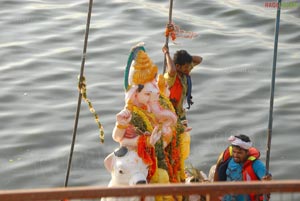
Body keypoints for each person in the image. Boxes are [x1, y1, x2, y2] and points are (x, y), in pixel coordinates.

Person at [111, 44, 191, 192]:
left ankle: (178, 181)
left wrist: (179, 127)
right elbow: (119, 139)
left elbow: (167, 117)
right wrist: (142, 140)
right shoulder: (130, 112)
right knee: (161, 177)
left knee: (184, 138)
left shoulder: (154, 103)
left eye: (152, 93)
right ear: (135, 94)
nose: (151, 98)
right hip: (140, 159)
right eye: (147, 95)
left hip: (162, 150)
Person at [214, 134, 272, 201]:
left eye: (239, 153)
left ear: (247, 152)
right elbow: (219, 173)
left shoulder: (256, 164)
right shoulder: (229, 159)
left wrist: (267, 180)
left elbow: (267, 179)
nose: (235, 155)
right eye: (234, 152)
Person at [162, 43, 202, 130]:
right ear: (177, 66)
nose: (188, 69)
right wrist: (166, 53)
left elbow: (199, 59)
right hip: (169, 114)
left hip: (180, 113)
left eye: (188, 66)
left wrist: (187, 57)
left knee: (184, 137)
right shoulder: (171, 77)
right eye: (186, 67)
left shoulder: (184, 72)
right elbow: (172, 70)